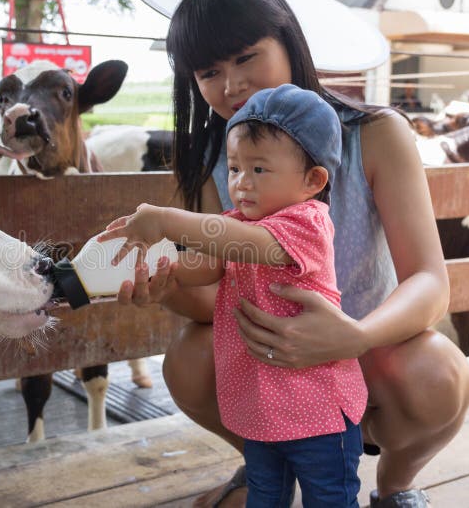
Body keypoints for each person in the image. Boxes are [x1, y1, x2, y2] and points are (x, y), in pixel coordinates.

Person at [114, 0, 469, 507]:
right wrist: (165, 286)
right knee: (187, 358)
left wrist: (354, 336)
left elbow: (428, 282)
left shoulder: (375, 134)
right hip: (271, 359)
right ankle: (267, 462)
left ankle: (395, 485)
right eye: (209, 71)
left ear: (289, 41)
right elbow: (219, 285)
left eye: (245, 57)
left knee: (438, 373)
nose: (231, 84)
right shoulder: (219, 162)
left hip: (370, 353)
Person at [101, 84, 366, 506]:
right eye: (236, 168)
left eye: (259, 170)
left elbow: (238, 242)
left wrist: (165, 220)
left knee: (330, 497)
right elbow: (210, 264)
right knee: (263, 494)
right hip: (261, 409)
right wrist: (161, 271)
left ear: (312, 180)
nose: (242, 183)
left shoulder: (307, 223)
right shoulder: (240, 224)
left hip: (317, 410)